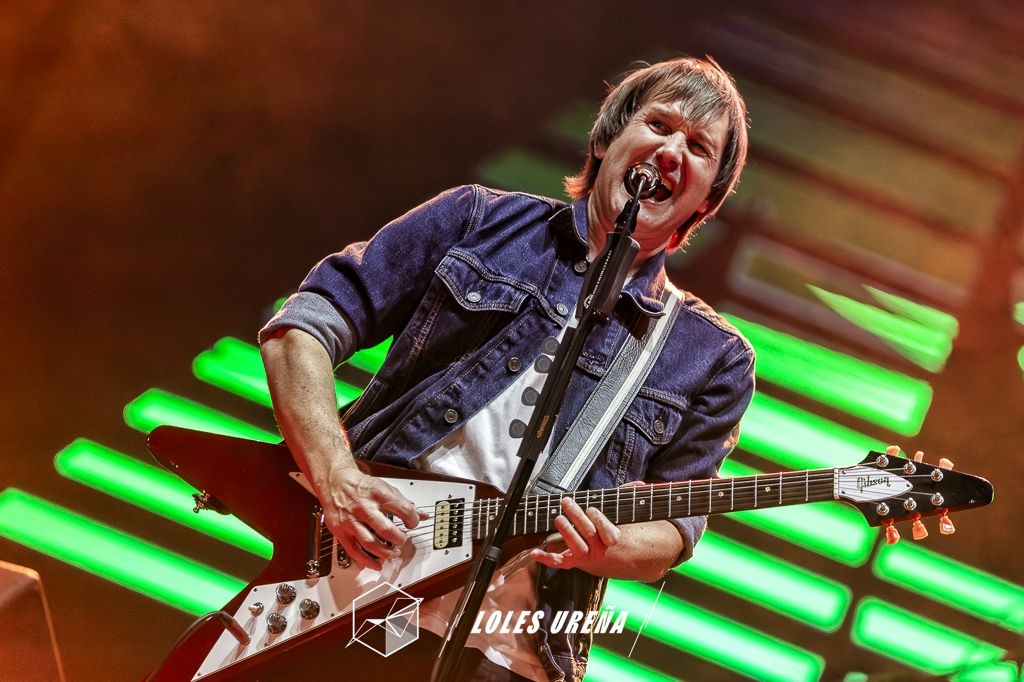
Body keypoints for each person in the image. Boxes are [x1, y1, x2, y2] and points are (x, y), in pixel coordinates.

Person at [258, 55, 754, 682]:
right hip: (351, 596)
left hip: (510, 654)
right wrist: (337, 477)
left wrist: (610, 546)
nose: (672, 150)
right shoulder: (477, 221)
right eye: (658, 125)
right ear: (607, 139)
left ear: (706, 200)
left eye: (699, 147)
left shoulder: (712, 357)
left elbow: (675, 527)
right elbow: (300, 329)